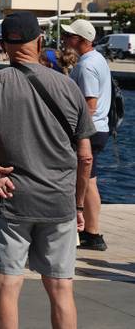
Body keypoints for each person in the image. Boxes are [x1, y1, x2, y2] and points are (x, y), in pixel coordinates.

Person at [0, 12, 95, 329]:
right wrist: (78, 204)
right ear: (39, 41)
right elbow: (85, 156)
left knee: (7, 287)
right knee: (61, 288)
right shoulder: (67, 86)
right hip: (59, 200)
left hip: (10, 199)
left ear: (3, 44)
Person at [62, 19, 111, 252]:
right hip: (99, 129)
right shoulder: (98, 59)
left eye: (69, 36)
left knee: (86, 182)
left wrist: (77, 131)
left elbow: (89, 102)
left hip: (89, 131)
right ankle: (91, 230)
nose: (64, 39)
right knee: (90, 181)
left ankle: (92, 233)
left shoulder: (87, 66)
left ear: (81, 40)